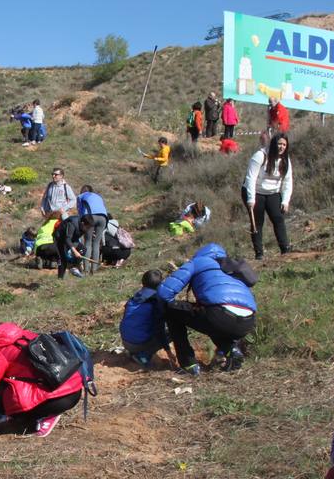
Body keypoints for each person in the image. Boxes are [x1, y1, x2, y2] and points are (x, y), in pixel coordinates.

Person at [0, 321, 84, 437]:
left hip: (56, 400)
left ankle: (44, 416)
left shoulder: (0, 354)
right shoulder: (27, 335)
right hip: (75, 389)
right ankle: (37, 415)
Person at [157, 243, 257, 376]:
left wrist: (166, 309)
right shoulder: (231, 266)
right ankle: (232, 351)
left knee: (173, 311)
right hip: (248, 321)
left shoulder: (198, 262)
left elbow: (164, 293)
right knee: (208, 317)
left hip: (219, 315)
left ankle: (188, 364)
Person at [242, 132, 294, 259]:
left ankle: (285, 249)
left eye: (284, 144)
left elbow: (288, 181)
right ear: (273, 144)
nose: (281, 147)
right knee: (258, 222)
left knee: (278, 218)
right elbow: (251, 178)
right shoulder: (260, 156)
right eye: (279, 144)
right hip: (255, 191)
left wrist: (285, 201)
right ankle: (259, 253)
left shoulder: (286, 160)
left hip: (273, 193)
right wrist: (251, 199)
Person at [120, 269, 169, 368]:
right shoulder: (155, 302)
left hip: (125, 341)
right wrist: (168, 350)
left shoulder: (134, 298)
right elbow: (160, 331)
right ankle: (143, 356)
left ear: (143, 282)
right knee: (172, 331)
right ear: (160, 285)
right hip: (138, 344)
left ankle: (134, 352)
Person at [77, 185, 109, 274]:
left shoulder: (81, 196)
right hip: (103, 218)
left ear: (82, 191)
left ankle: (86, 270)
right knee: (96, 243)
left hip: (90, 217)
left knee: (87, 242)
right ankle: (94, 270)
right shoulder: (98, 196)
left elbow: (80, 211)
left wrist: (81, 224)